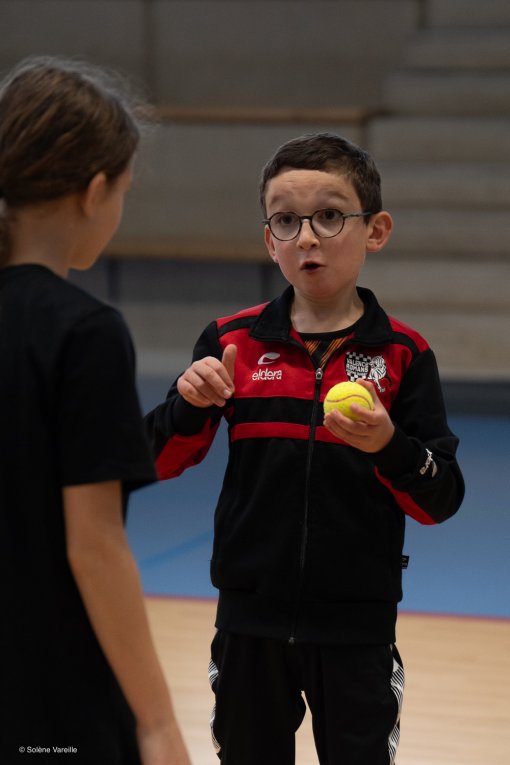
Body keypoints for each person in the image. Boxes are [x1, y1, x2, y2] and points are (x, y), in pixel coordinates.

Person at [145, 132, 465, 765]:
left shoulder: (404, 353)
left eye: (329, 216)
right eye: (286, 221)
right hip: (248, 622)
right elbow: (154, 459)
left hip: (357, 628)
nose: (307, 238)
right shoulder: (231, 341)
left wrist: (388, 445)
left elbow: (440, 498)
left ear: (375, 231)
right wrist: (189, 402)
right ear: (269, 240)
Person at [0, 58, 190, 765]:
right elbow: (94, 546)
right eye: (125, 193)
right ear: (95, 191)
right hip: (49, 697)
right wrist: (159, 723)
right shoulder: (84, 332)